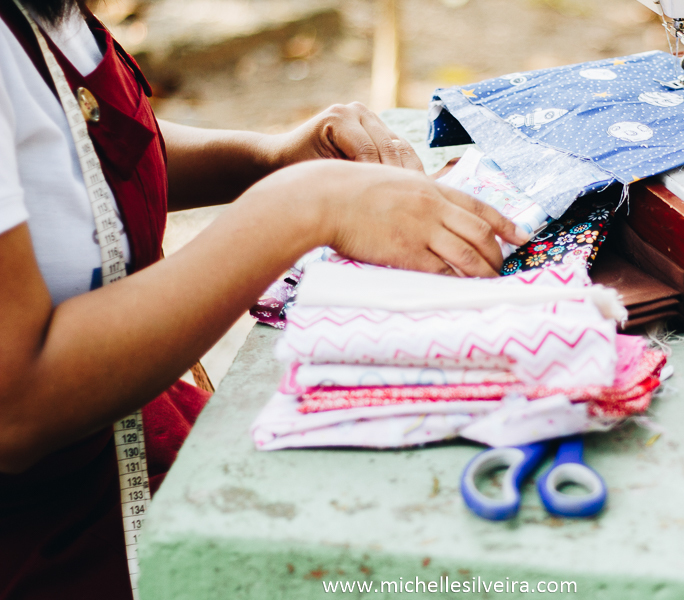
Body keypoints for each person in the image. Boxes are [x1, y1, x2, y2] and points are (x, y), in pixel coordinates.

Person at [0, 0, 530, 597]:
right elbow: (17, 408)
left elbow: (68, 163)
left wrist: (267, 159)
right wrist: (303, 206)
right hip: (54, 542)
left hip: (128, 442)